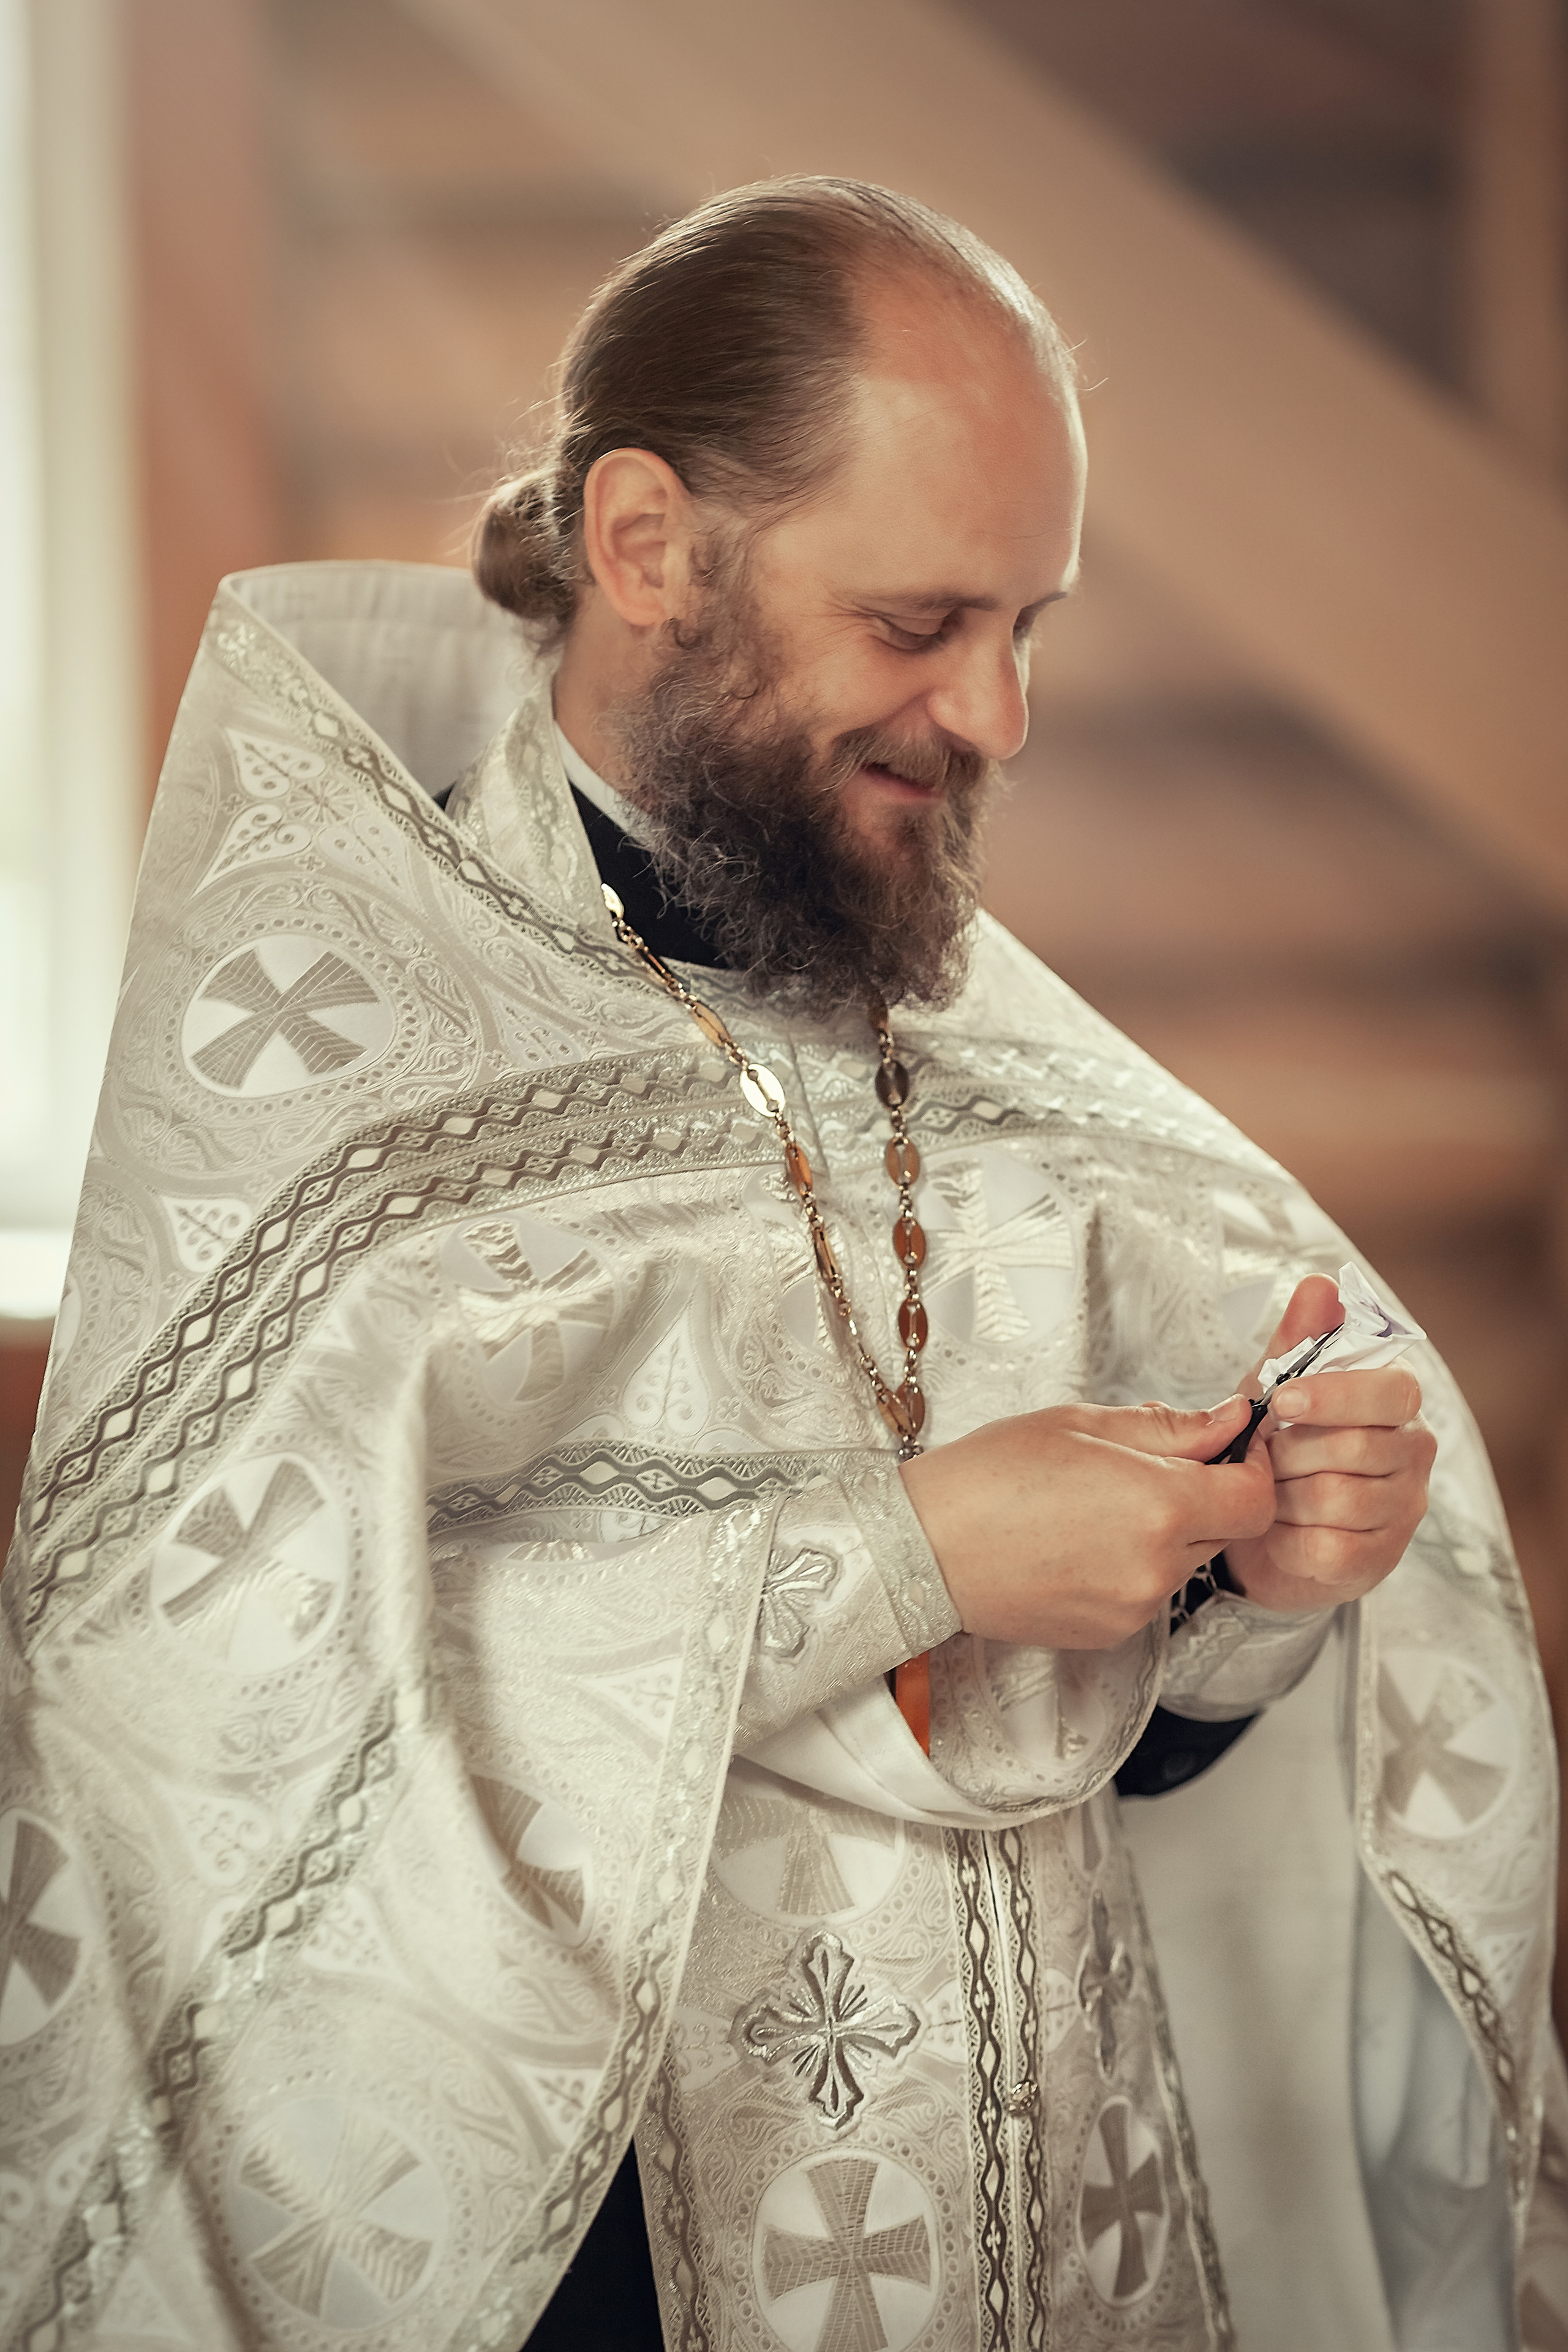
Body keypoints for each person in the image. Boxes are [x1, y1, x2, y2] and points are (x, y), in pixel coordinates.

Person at [1, 178, 1561, 2352]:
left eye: (1034, 625)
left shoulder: (990, 1060)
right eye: (921, 623)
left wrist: (1246, 1600)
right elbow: (222, 1726)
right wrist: (910, 1550)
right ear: (647, 547)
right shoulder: (341, 1064)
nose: (999, 715)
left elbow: (1103, 1768)